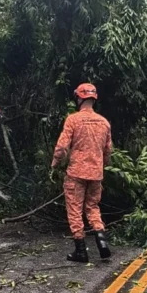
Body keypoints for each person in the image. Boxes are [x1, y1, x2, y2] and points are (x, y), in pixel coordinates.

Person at [51, 83, 113, 263]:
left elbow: (62, 147)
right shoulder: (104, 122)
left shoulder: (73, 120)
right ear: (94, 99)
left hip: (76, 173)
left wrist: (55, 164)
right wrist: (101, 165)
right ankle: (101, 241)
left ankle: (81, 251)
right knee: (92, 207)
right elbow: (108, 151)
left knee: (75, 210)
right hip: (96, 173)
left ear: (78, 98)